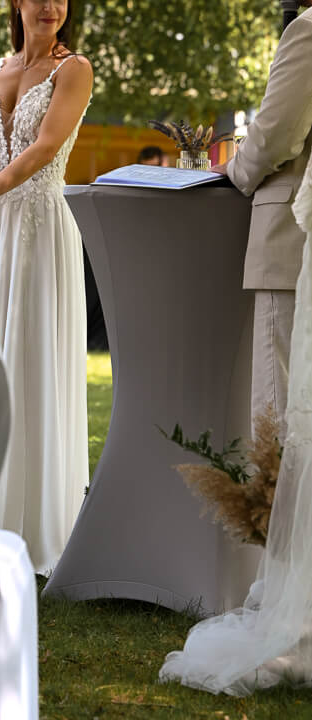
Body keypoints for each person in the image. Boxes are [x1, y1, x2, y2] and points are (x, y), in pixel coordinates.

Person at [0, 0, 93, 574]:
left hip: (39, 228)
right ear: (17, 0)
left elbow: (42, 148)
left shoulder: (75, 70)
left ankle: (35, 525)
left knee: (32, 363)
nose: (51, 8)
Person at [159, 147, 312, 695]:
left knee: (287, 428)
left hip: (288, 231)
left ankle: (290, 615)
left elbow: (279, 128)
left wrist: (236, 168)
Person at [213, 0, 312, 437]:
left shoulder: (308, 30)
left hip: (289, 241)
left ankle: (275, 521)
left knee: (277, 413)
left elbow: (276, 135)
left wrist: (235, 172)